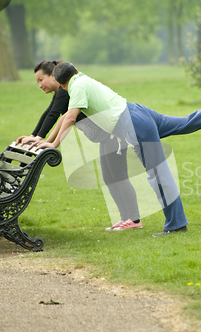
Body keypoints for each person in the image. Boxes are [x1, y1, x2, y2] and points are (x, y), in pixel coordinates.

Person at [31, 62, 201, 237]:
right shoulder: (84, 78)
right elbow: (67, 116)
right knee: (187, 121)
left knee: (157, 175)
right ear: (76, 70)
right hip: (139, 111)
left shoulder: (75, 88)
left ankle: (176, 225)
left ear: (61, 85)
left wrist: (53, 144)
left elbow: (69, 117)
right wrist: (50, 140)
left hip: (134, 126)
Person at [17, 60, 142, 231]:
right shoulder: (63, 91)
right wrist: (45, 140)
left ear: (54, 76)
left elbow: (66, 117)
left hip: (112, 134)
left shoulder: (67, 90)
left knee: (119, 177)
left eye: (41, 80)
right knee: (109, 178)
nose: (39, 85)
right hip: (106, 137)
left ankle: (134, 219)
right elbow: (61, 116)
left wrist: (52, 142)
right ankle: (125, 218)